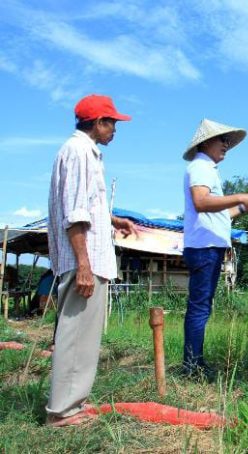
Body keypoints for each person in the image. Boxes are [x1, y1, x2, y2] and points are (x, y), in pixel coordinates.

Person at [46, 94, 137, 427]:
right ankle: (62, 411)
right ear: (98, 123)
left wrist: (113, 221)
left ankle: (71, 403)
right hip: (84, 260)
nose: (115, 130)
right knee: (77, 335)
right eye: (112, 123)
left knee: (82, 335)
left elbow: (87, 204)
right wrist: (84, 265)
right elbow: (75, 214)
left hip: (86, 257)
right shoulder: (81, 152)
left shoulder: (79, 151)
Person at [181, 119, 248, 381]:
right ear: (206, 142)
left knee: (202, 306)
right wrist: (240, 197)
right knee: (199, 308)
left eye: (228, 142)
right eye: (222, 141)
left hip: (208, 247)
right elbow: (201, 203)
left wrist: (241, 208)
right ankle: (192, 365)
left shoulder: (208, 169)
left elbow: (218, 214)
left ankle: (194, 362)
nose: (226, 146)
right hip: (204, 248)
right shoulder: (200, 167)